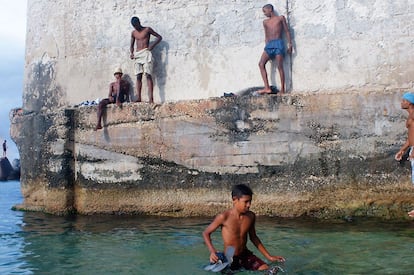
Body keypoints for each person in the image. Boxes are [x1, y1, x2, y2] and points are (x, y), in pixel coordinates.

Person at [202, 184, 285, 271]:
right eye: (246, 202)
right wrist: (212, 251)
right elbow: (206, 233)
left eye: (250, 201)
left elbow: (254, 237)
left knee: (266, 269)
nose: (249, 205)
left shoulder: (251, 216)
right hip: (229, 255)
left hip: (245, 253)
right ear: (235, 200)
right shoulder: (224, 217)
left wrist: (269, 257)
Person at [258, 4, 292, 96]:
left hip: (278, 43)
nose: (264, 14)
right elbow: (266, 35)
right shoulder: (265, 22)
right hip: (269, 45)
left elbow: (287, 31)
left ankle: (283, 89)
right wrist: (266, 46)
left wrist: (290, 44)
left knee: (279, 66)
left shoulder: (280, 18)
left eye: (265, 11)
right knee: (261, 64)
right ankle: (267, 87)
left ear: (270, 9)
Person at [130, 16, 162, 104]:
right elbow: (132, 45)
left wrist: (152, 46)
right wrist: (132, 53)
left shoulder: (147, 29)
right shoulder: (133, 33)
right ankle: (139, 97)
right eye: (134, 26)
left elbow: (159, 37)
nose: (136, 27)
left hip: (146, 53)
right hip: (138, 55)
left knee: (148, 75)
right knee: (138, 76)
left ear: (139, 22)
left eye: (136, 25)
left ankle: (151, 98)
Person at [394, 92, 414, 184]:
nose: (401, 103)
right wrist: (402, 150)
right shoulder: (410, 116)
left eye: (404, 101)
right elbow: (411, 137)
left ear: (409, 103)